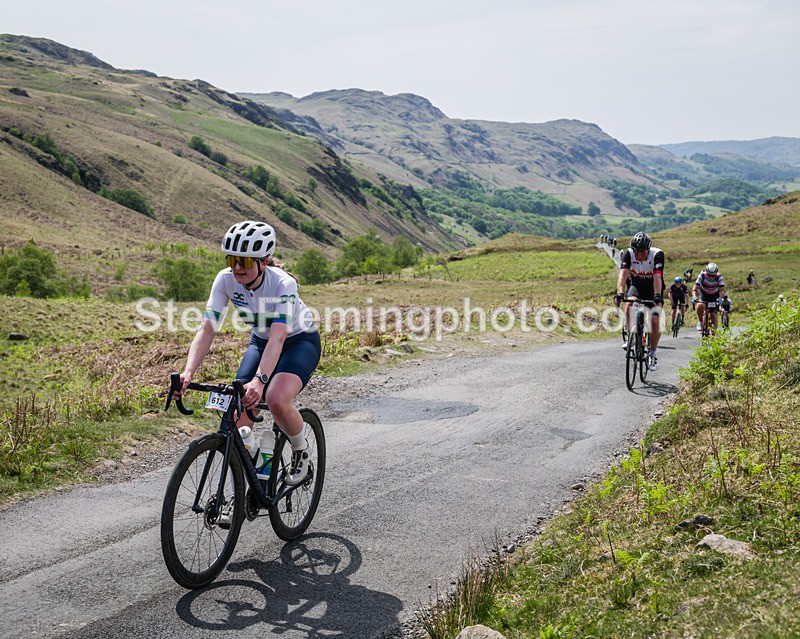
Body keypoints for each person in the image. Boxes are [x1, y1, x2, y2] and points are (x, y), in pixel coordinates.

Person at [177, 221, 321, 486]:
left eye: (244, 261)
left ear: (263, 262)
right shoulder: (225, 280)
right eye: (233, 259)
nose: (237, 267)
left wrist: (260, 380)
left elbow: (278, 336)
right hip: (261, 341)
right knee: (238, 408)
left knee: (276, 398)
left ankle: (301, 451)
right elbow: (208, 328)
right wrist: (188, 372)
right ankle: (253, 476)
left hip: (298, 342)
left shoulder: (283, 284)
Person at [614, 232, 665, 371]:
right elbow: (623, 275)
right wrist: (619, 293)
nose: (638, 255)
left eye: (641, 252)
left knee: (655, 321)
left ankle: (653, 353)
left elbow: (657, 278)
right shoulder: (628, 254)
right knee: (629, 303)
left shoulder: (657, 254)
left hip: (653, 288)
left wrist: (657, 296)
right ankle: (631, 334)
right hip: (636, 286)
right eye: (636, 251)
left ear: (648, 249)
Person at [692, 262, 727, 334]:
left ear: (716, 274)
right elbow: (695, 288)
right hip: (704, 295)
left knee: (714, 316)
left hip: (714, 296)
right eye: (709, 275)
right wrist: (694, 297)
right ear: (706, 272)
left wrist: (720, 298)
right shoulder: (702, 275)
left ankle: (713, 335)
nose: (711, 277)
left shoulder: (719, 276)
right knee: (700, 305)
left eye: (713, 276)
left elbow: (723, 290)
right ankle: (700, 321)